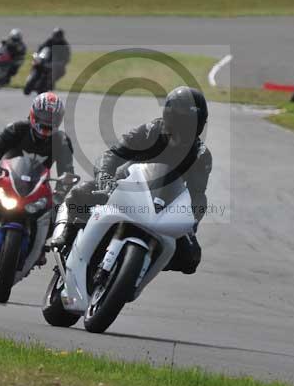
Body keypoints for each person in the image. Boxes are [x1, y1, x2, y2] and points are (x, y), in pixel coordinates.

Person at [48, 86, 212, 275]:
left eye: (194, 123)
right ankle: (66, 234)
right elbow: (112, 155)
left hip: (163, 207)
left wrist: (191, 222)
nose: (188, 129)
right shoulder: (151, 131)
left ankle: (144, 262)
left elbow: (198, 195)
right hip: (125, 188)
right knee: (81, 192)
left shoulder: (201, 155)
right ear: (172, 117)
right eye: (185, 122)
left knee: (190, 258)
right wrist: (105, 178)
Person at [0, 92, 73, 248]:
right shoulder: (15, 129)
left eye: (52, 119)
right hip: (6, 180)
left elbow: (67, 172)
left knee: (57, 214)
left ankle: (39, 245)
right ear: (33, 113)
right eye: (43, 116)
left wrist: (59, 194)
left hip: (38, 187)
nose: (47, 123)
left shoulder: (62, 141)